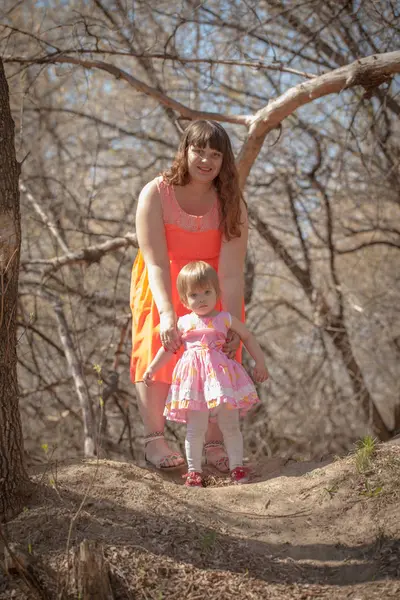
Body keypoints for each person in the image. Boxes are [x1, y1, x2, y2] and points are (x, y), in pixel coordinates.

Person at [130, 120, 248, 471]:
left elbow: (230, 271)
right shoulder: (156, 193)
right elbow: (154, 262)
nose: (206, 160)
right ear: (185, 150)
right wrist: (168, 313)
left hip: (214, 285)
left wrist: (232, 323)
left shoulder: (232, 203)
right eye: (199, 150)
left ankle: (214, 442)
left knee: (218, 353)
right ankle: (154, 440)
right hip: (163, 280)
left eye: (216, 154)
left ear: (224, 161)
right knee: (156, 344)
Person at [143, 261, 269, 486]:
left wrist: (260, 363)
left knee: (230, 425)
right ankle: (194, 471)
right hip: (194, 384)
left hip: (222, 381)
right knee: (195, 428)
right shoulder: (183, 323)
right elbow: (168, 349)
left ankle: (237, 467)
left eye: (207, 292)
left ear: (217, 293)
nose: (201, 298)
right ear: (184, 300)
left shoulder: (225, 319)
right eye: (194, 294)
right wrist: (153, 367)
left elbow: (248, 336)